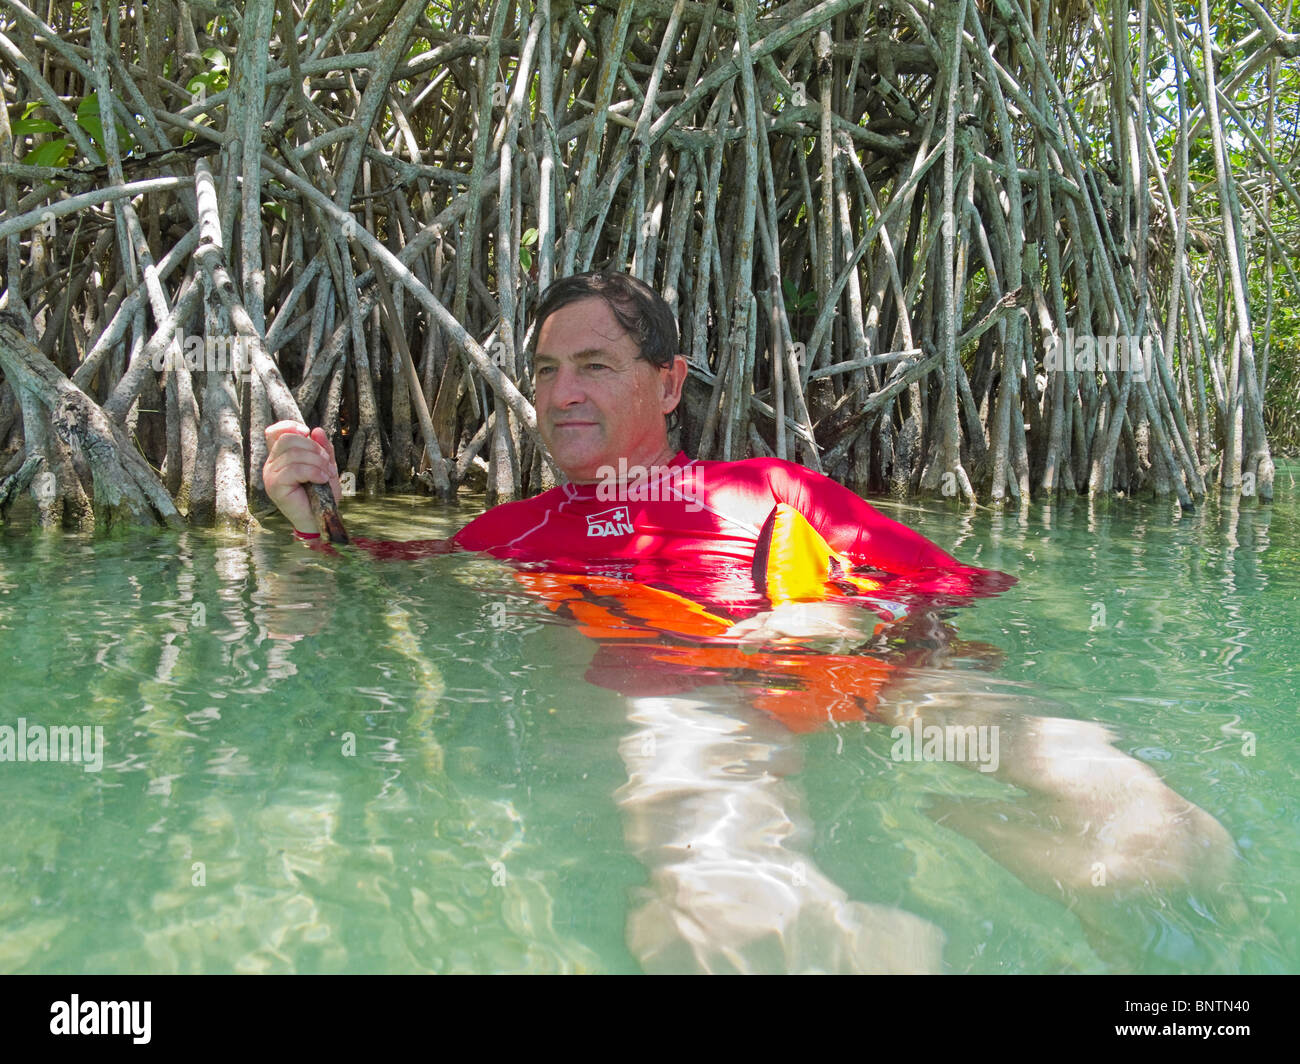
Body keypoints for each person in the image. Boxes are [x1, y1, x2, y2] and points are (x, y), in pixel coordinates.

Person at [262, 271, 1235, 973]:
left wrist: (846, 614)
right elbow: (366, 585)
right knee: (730, 922)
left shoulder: (773, 487)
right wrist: (312, 518)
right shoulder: (507, 530)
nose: (560, 394)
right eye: (549, 368)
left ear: (670, 383)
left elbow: (957, 591)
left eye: (594, 365)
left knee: (1161, 842)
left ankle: (958, 840)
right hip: (693, 691)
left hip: (878, 665)